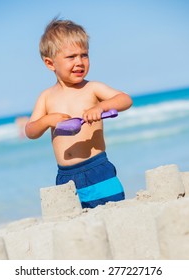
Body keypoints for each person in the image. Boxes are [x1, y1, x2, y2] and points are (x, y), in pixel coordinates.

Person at [25, 18, 133, 208]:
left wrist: (100, 107)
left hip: (97, 167)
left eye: (84, 55)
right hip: (65, 175)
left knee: (113, 209)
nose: (79, 62)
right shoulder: (47, 97)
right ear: (50, 64)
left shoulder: (92, 88)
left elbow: (125, 99)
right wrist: (48, 120)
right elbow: (31, 131)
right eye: (71, 57)